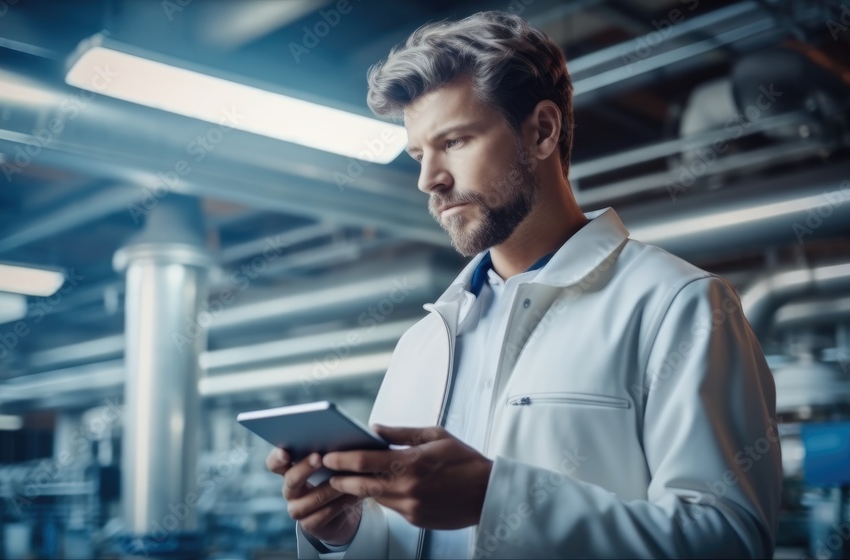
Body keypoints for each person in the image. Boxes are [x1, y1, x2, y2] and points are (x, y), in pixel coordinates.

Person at [267, 10, 781, 559]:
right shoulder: (422, 345)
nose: (428, 180)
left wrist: (499, 499)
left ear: (541, 131)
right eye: (420, 154)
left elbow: (729, 541)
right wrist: (345, 531)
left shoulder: (678, 307)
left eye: (455, 141)